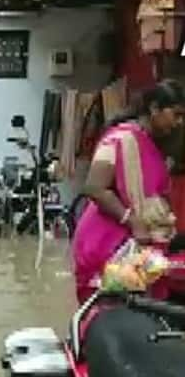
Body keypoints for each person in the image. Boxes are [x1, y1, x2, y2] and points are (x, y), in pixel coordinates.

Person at [72, 79, 185, 302]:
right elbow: (94, 187)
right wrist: (132, 220)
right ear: (154, 109)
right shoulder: (120, 139)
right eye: (177, 114)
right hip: (108, 244)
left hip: (140, 247)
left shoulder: (154, 145)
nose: (180, 122)